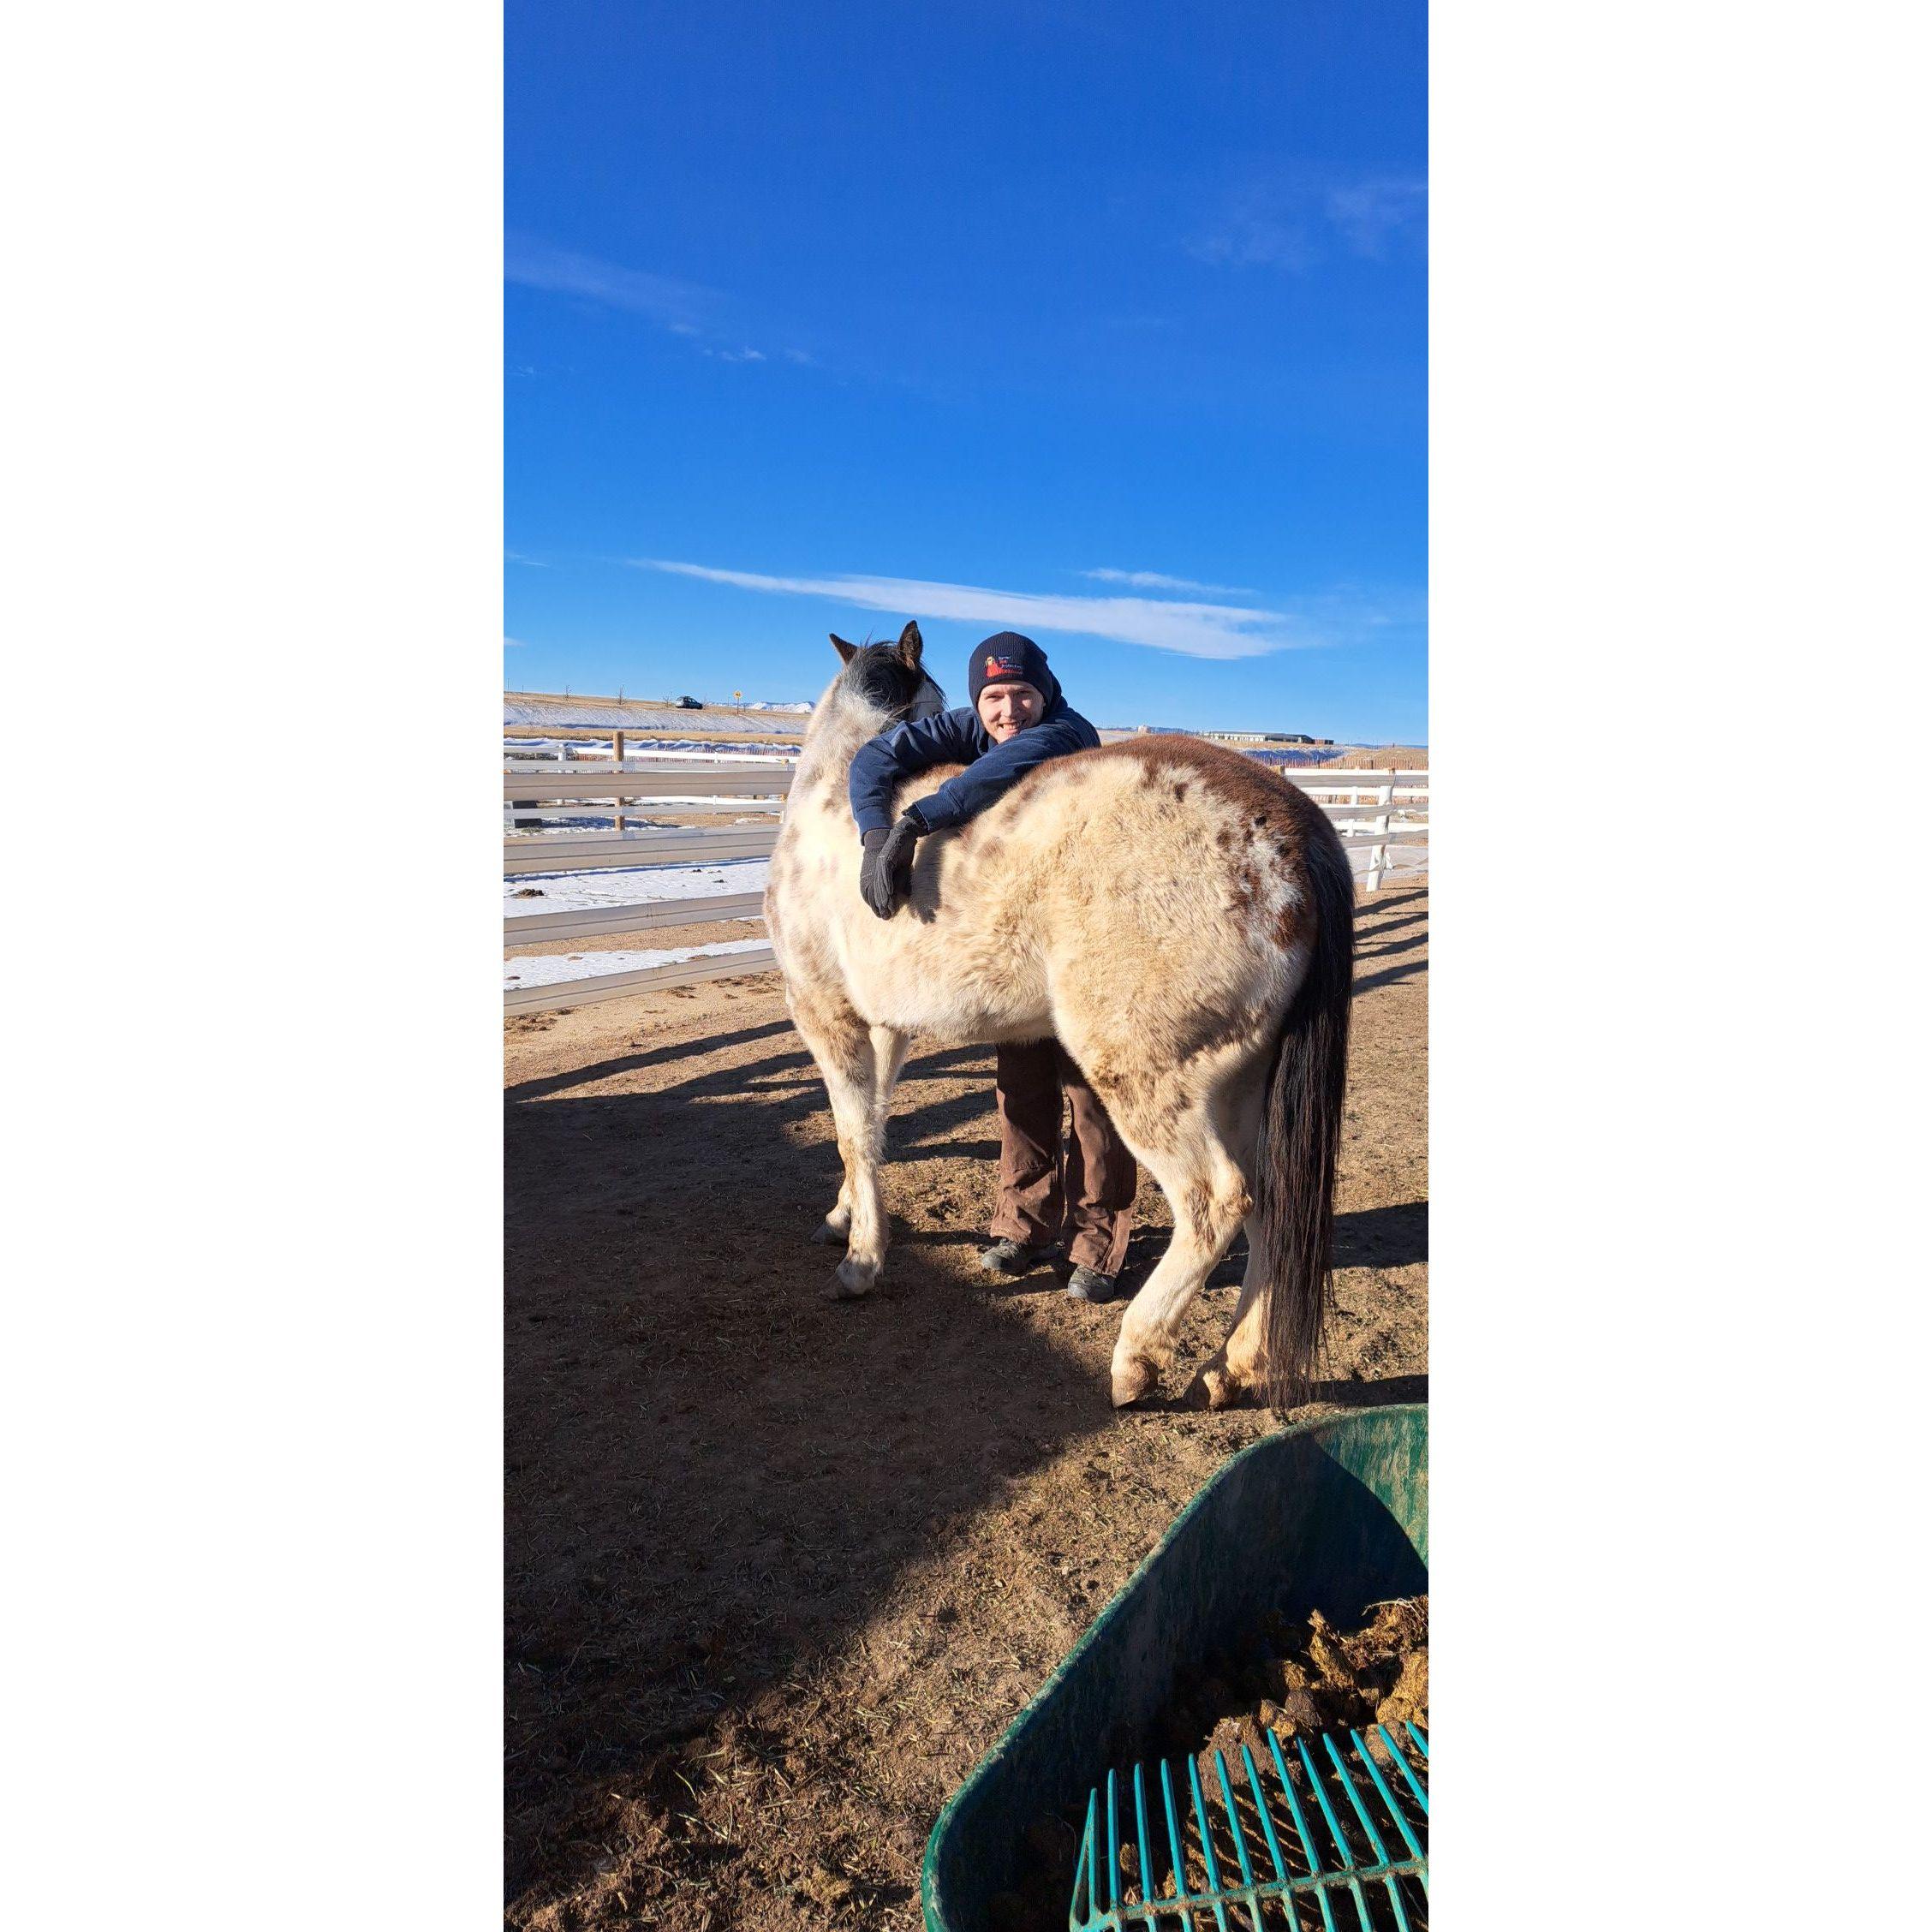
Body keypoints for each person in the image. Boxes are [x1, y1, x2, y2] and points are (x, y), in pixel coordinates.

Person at [847, 631, 1139, 1303]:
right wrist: (873, 836)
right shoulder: (972, 723)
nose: (1009, 711)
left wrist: (914, 821)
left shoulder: (1065, 733)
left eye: (1023, 694)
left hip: (1089, 938)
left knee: (1094, 1099)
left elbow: (999, 772)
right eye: (995, 697)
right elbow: (874, 758)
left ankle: (1098, 1241)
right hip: (1018, 945)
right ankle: (1024, 1225)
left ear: (1046, 693)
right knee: (1021, 1092)